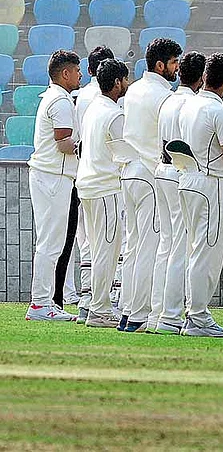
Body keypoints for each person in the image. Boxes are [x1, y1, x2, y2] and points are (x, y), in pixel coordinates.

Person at [170, 52, 223, 337]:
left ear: (205, 76)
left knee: (195, 250)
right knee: (207, 252)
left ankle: (192, 314)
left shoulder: (189, 105)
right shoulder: (220, 111)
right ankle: (197, 317)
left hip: (187, 179)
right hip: (211, 183)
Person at [119, 38, 182, 332]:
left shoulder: (133, 89)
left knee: (133, 245)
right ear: (160, 65)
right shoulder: (165, 96)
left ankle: (128, 309)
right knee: (149, 246)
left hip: (129, 172)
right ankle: (140, 314)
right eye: (173, 62)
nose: (177, 68)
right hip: (149, 173)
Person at [25, 50, 82, 321]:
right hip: (53, 177)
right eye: (77, 71)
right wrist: (89, 146)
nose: (80, 75)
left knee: (51, 242)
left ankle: (45, 302)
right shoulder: (60, 101)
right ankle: (39, 304)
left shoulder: (55, 97)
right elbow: (63, 143)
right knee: (50, 243)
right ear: (65, 73)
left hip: (49, 176)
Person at [151, 51, 206, 334]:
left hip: (162, 170)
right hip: (180, 172)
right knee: (181, 246)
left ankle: (157, 311)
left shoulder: (169, 99)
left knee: (167, 244)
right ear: (202, 77)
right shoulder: (192, 103)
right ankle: (171, 315)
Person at [75, 58, 130, 328]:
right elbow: (125, 155)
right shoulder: (113, 113)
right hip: (105, 188)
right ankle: (99, 309)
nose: (127, 84)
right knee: (107, 251)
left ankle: (95, 306)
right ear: (117, 82)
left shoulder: (93, 108)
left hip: (87, 186)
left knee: (98, 250)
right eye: (125, 79)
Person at [73, 45, 115, 323]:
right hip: (104, 179)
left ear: (89, 69)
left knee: (87, 242)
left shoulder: (82, 97)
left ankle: (87, 300)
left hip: (83, 175)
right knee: (107, 244)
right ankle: (104, 301)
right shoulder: (107, 101)